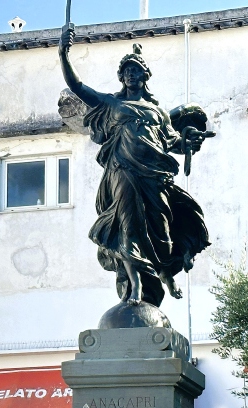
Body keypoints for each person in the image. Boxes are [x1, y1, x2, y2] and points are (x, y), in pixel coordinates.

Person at [59, 26, 211, 307]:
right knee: (128, 227)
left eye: (136, 69)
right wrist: (63, 53)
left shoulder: (158, 112)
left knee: (161, 234)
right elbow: (77, 87)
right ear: (121, 77)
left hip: (154, 178)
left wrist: (189, 139)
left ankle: (164, 271)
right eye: (126, 70)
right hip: (123, 171)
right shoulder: (111, 103)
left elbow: (173, 143)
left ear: (145, 75)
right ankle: (136, 288)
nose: (130, 73)